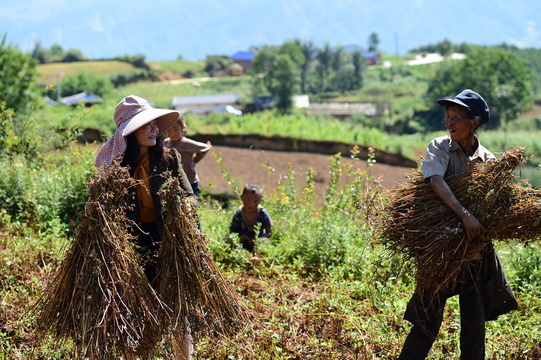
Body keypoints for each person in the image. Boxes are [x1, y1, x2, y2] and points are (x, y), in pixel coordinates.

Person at [398, 89, 518, 360]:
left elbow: (495, 210)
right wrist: (465, 215)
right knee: (428, 318)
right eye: (448, 117)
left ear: (474, 122)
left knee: (474, 322)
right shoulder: (439, 146)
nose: (450, 123)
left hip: (473, 252)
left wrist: (482, 231)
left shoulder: (489, 162)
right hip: (440, 250)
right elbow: (435, 180)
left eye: (457, 118)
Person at [95, 95, 196, 360]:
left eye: (154, 124)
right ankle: (136, 354)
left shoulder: (168, 158)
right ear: (129, 133)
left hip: (166, 240)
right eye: (146, 125)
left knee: (175, 304)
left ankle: (183, 356)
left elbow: (189, 193)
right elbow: (101, 207)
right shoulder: (116, 168)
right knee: (135, 305)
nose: (154, 129)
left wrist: (187, 206)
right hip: (130, 244)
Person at [164, 116, 212, 196]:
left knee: (190, 204)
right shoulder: (166, 143)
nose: (172, 133)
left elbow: (206, 147)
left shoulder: (186, 143)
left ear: (182, 128)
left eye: (176, 129)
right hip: (173, 181)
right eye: (169, 130)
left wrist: (196, 160)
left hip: (189, 181)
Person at [229, 183, 273, 254]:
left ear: (260, 201)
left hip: (258, 242)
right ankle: (241, 255)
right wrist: (241, 236)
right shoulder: (239, 214)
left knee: (265, 242)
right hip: (243, 241)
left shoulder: (262, 213)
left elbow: (269, 232)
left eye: (255, 201)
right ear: (242, 198)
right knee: (231, 242)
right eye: (248, 200)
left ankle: (257, 256)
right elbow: (232, 232)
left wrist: (258, 239)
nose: (251, 204)